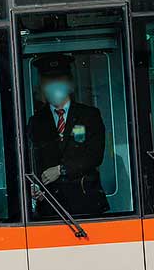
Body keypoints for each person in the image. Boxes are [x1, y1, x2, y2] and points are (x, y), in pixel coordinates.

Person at [27, 54, 109, 217]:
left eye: (59, 79)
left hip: (86, 203)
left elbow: (95, 156)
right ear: (42, 85)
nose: (54, 86)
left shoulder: (89, 115)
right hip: (51, 206)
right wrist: (34, 187)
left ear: (70, 83)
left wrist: (61, 170)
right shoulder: (36, 121)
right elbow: (32, 160)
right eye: (49, 81)